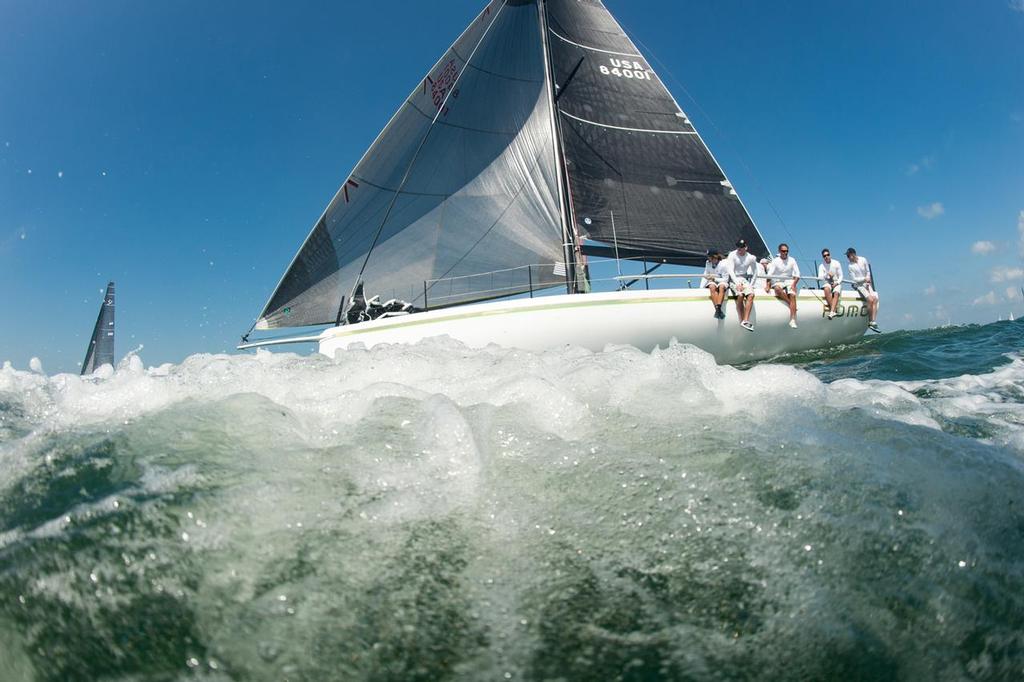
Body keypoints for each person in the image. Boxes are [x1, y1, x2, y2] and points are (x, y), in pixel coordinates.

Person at [726, 238, 758, 331]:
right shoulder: (732, 255)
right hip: (733, 279)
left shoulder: (751, 258)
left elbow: (755, 272)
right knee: (740, 295)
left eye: (741, 247)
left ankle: (745, 320)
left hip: (744, 279)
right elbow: (730, 270)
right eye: (738, 247)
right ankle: (741, 319)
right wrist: (737, 283)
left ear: (746, 247)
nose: (739, 249)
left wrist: (751, 284)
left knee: (751, 295)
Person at [766, 243, 801, 328]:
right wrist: (767, 285)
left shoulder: (792, 260)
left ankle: (792, 320)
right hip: (778, 280)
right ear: (779, 251)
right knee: (777, 289)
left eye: (787, 251)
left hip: (789, 280)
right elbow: (769, 274)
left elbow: (798, 274)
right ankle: (791, 304)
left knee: (792, 295)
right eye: (783, 251)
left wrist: (794, 284)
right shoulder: (775, 261)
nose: (785, 253)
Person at [845, 247, 879, 330]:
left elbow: (868, 271)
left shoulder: (863, 259)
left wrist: (867, 280)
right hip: (859, 285)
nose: (848, 258)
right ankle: (870, 321)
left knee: (875, 299)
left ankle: (873, 321)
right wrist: (864, 279)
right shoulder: (850, 266)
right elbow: (854, 279)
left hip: (866, 283)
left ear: (853, 254)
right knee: (870, 300)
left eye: (848, 256)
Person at [701, 249, 729, 319]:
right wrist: (701, 288)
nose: (708, 258)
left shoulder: (723, 265)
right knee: (712, 286)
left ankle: (718, 308)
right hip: (713, 280)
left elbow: (726, 279)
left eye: (709, 256)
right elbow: (706, 274)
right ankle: (718, 310)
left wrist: (714, 279)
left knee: (721, 287)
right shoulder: (708, 263)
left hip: (722, 280)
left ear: (714, 256)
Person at [817, 248, 843, 319]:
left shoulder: (836, 263)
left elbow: (841, 276)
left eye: (827, 255)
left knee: (836, 293)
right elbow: (820, 277)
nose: (826, 257)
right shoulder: (821, 266)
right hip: (827, 282)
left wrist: (837, 283)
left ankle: (832, 311)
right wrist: (827, 275)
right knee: (826, 289)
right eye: (824, 256)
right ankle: (833, 310)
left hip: (836, 282)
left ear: (830, 255)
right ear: (823, 257)